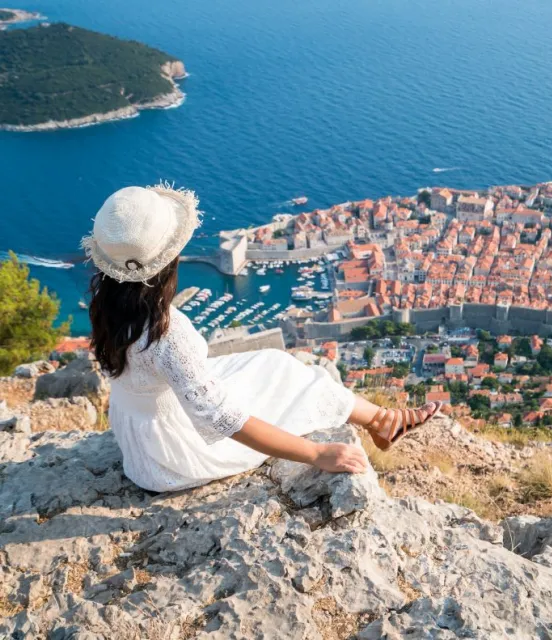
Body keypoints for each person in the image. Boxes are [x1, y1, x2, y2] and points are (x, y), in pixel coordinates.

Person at [82, 184, 440, 492]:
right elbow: (226, 421)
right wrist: (317, 454)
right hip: (172, 459)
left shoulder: (106, 304)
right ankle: (382, 421)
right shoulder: (168, 333)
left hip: (140, 441)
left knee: (276, 362)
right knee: (299, 381)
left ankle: (382, 421)